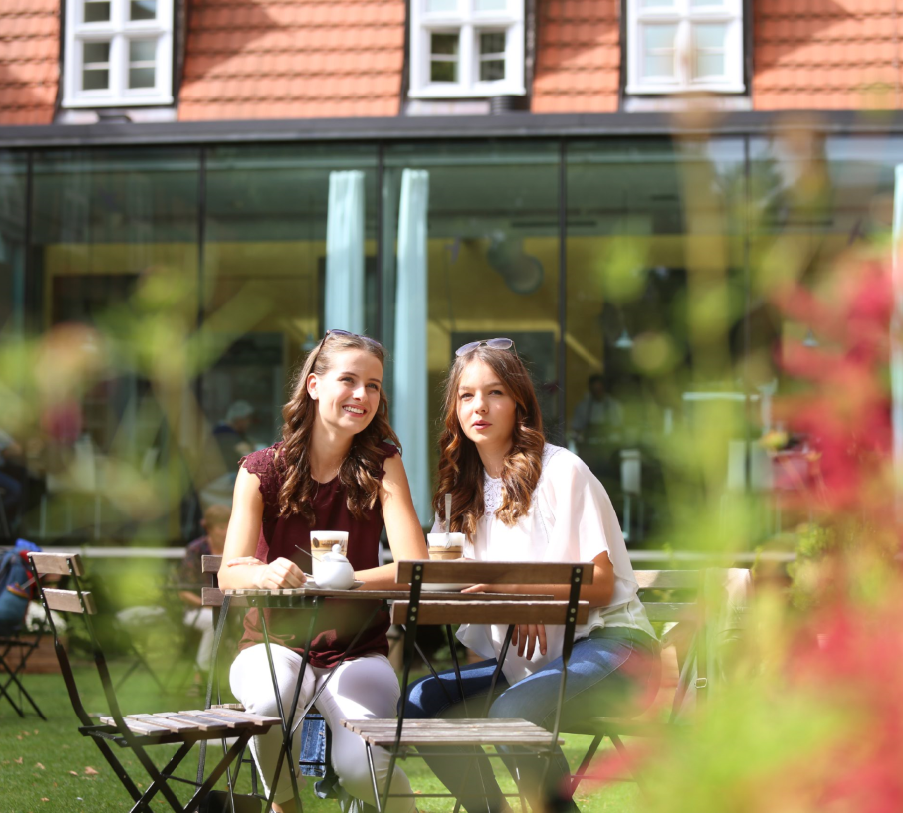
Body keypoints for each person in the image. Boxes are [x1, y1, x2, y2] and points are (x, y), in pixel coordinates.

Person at [403, 338, 660, 813]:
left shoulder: (563, 471)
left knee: (514, 711)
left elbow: (601, 585)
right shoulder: (456, 495)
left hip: (613, 648)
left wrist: (523, 596)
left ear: (519, 402)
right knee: (421, 702)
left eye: (495, 392)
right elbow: (442, 576)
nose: (479, 406)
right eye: (466, 395)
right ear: (454, 410)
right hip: (532, 663)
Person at [218, 330, 427, 813]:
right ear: (313, 385)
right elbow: (230, 571)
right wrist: (264, 573)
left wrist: (349, 580)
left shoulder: (383, 463)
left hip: (357, 653)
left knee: (361, 769)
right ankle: (284, 807)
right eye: (349, 380)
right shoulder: (260, 470)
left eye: (373, 385)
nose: (362, 395)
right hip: (271, 645)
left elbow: (416, 566)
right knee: (272, 704)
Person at [177, 503, 230, 688]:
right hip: (197, 610)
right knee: (212, 622)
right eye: (221, 527)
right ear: (209, 528)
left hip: (234, 609)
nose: (225, 532)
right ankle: (200, 677)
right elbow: (182, 592)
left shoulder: (236, 549)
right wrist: (206, 603)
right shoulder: (196, 550)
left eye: (229, 526)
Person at [571, 374, 623, 488]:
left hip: (608, 451)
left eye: (599, 389)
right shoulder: (583, 407)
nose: (597, 393)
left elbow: (620, 428)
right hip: (589, 452)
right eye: (594, 390)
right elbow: (576, 429)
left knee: (609, 483)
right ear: (590, 389)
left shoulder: (614, 406)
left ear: (604, 389)